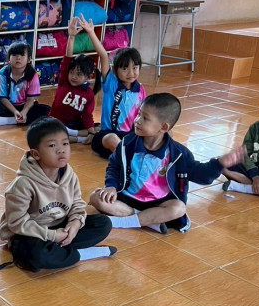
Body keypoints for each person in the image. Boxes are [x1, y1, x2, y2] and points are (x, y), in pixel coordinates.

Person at [89, 93, 245, 234]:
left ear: (163, 127)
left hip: (159, 204)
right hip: (127, 198)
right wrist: (111, 186)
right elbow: (114, 166)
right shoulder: (127, 143)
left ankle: (125, 221)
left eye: (145, 118)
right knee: (96, 197)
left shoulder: (179, 154)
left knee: (178, 208)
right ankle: (148, 220)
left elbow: (201, 175)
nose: (137, 120)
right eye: (139, 114)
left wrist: (219, 163)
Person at [0, 117, 115, 272]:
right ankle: (81, 254)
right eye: (52, 145)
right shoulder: (23, 184)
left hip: (60, 225)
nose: (61, 150)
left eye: (65, 143)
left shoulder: (69, 175)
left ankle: (59, 251)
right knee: (36, 254)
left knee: (103, 223)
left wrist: (75, 224)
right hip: (31, 233)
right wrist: (52, 235)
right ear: (36, 154)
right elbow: (17, 223)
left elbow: (77, 204)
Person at [50, 15, 101, 144]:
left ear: (88, 76)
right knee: (48, 129)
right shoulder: (64, 81)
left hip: (74, 125)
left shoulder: (88, 94)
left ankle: (77, 135)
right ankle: (78, 138)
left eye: (78, 74)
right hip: (56, 122)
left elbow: (87, 116)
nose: (73, 77)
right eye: (72, 73)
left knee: (99, 128)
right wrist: (71, 37)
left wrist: (91, 131)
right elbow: (67, 59)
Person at [91, 42, 146, 159]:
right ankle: (128, 160)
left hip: (130, 136)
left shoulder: (140, 90)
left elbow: (143, 115)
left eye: (135, 68)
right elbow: (103, 55)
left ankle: (126, 155)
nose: (131, 73)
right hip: (108, 135)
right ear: (115, 70)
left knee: (164, 133)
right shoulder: (111, 84)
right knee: (112, 139)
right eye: (125, 68)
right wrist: (90, 32)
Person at [0, 41, 50, 126]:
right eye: (14, 55)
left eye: (22, 55)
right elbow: (3, 98)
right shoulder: (2, 73)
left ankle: (9, 120)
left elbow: (30, 99)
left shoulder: (33, 75)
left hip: (24, 105)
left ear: (29, 59)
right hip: (7, 105)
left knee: (47, 110)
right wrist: (15, 111)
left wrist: (24, 112)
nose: (18, 58)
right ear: (9, 58)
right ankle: (19, 118)